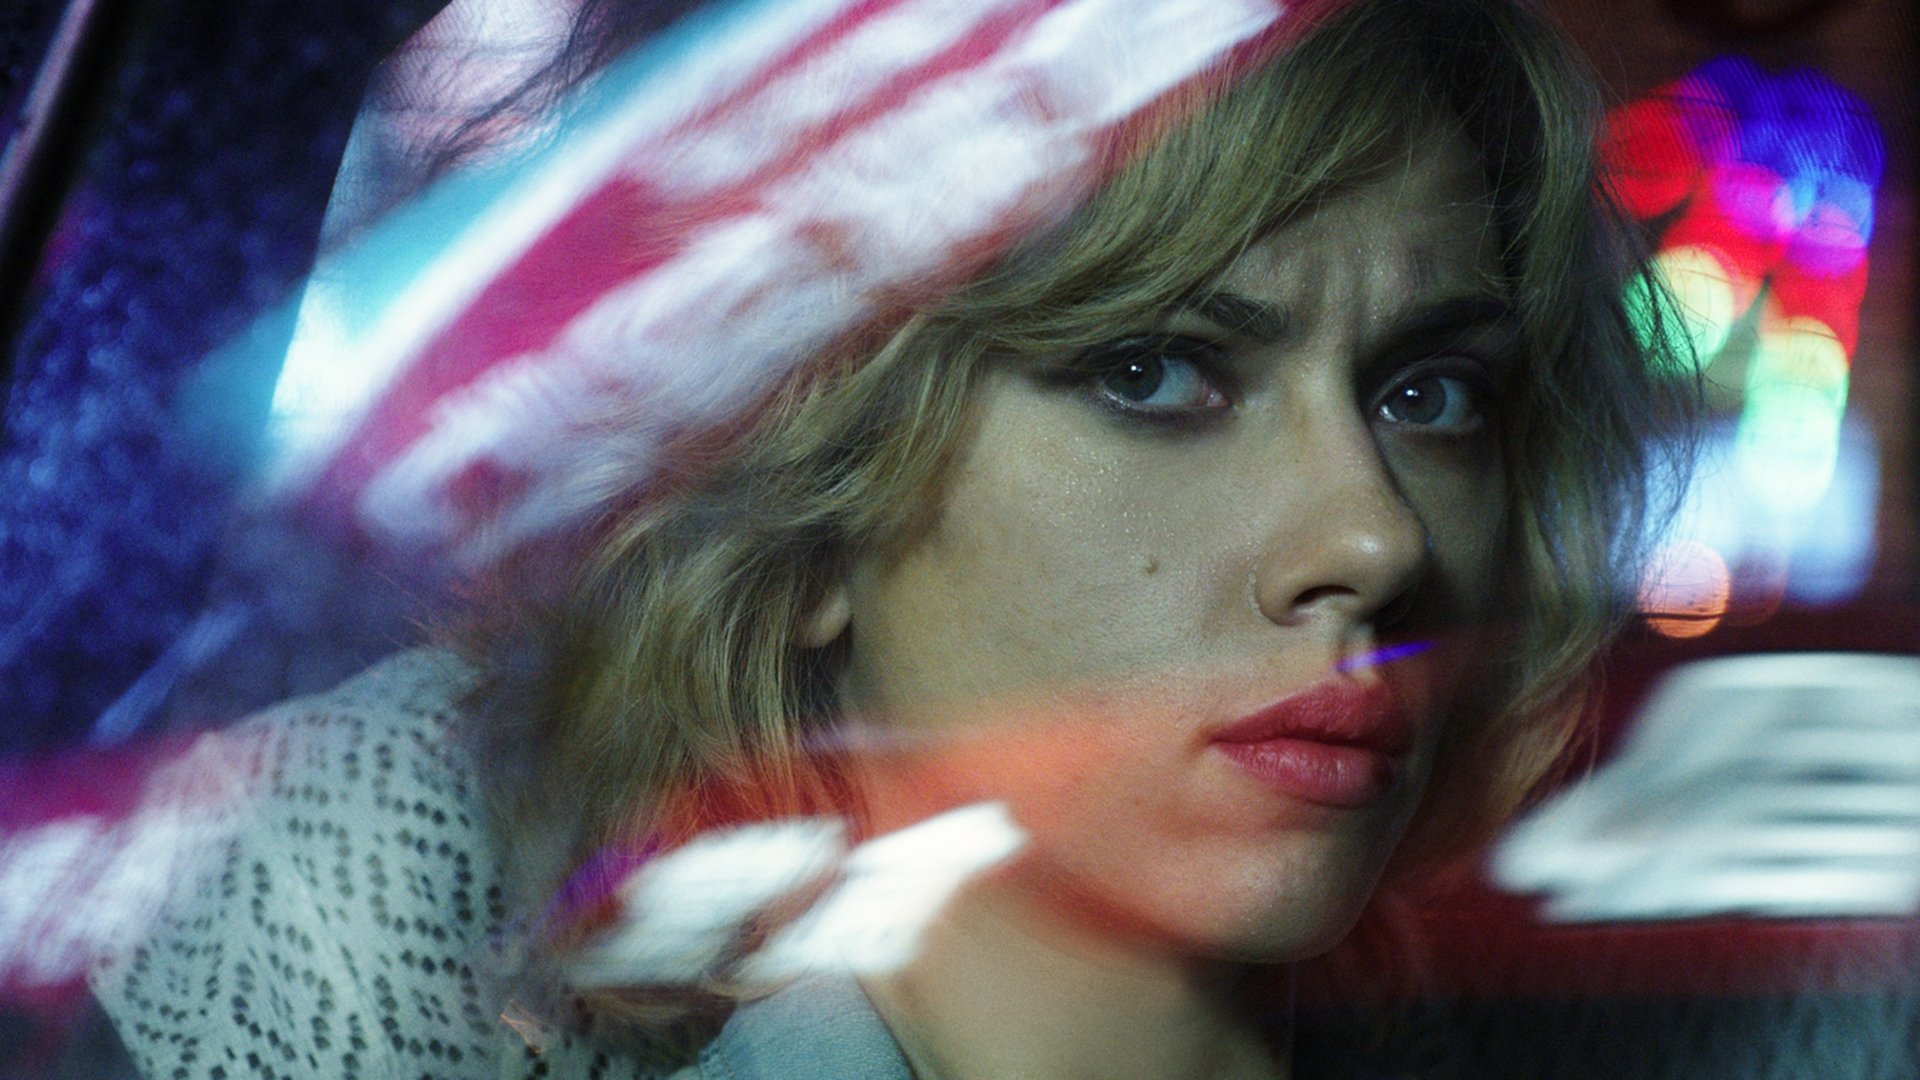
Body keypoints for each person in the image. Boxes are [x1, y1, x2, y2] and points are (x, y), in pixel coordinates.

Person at [91, 0, 1693, 1076]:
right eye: (1156, 374)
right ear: (795, 472)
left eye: (1431, 394)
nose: (1374, 533)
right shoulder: (322, 917)